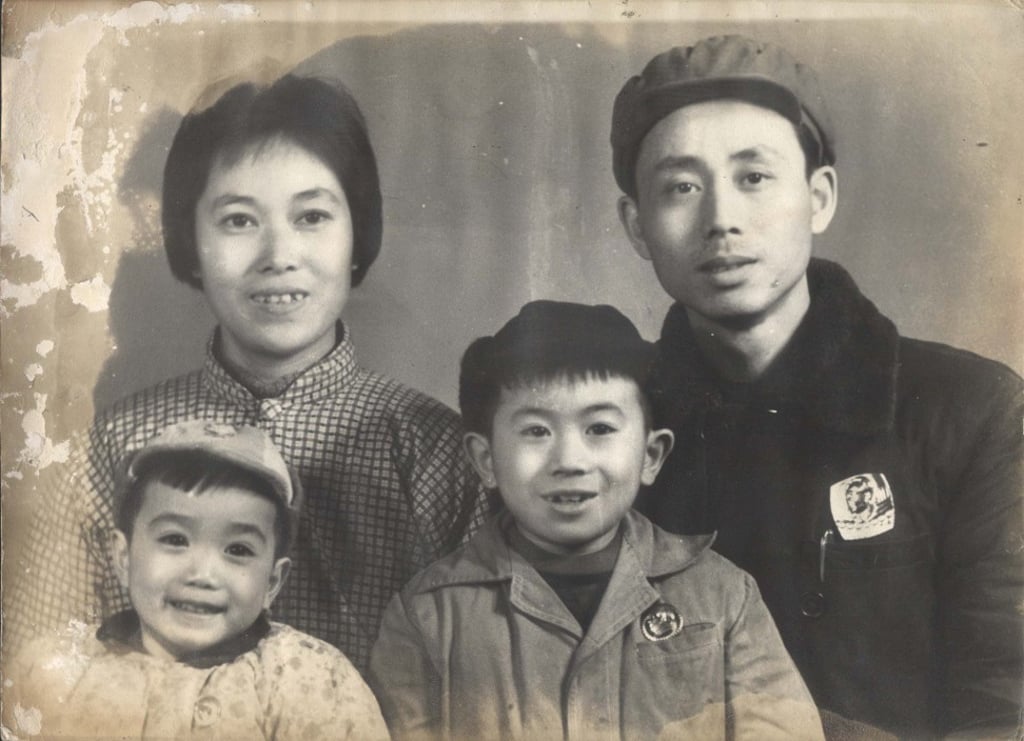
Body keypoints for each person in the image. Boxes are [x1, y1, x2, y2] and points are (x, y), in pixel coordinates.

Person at [4, 73, 490, 672]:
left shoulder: (438, 455)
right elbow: (42, 668)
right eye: (238, 220)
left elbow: (480, 682)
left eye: (312, 217)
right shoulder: (114, 445)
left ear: (357, 235)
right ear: (190, 241)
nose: (278, 257)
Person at [611, 34, 1024, 738]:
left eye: (754, 177)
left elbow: (1004, 702)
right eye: (681, 187)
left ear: (819, 197)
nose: (721, 220)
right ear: (636, 226)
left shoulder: (972, 410)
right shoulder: (609, 436)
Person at [368, 300, 824, 741]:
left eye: (600, 429)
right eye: (536, 431)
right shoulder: (426, 616)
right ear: (485, 460)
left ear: (651, 455)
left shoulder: (721, 595)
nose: (569, 460)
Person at [3, 420, 388, 740]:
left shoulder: (314, 681)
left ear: (272, 582)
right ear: (123, 558)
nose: (202, 574)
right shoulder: (56, 669)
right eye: (175, 540)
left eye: (238, 550)